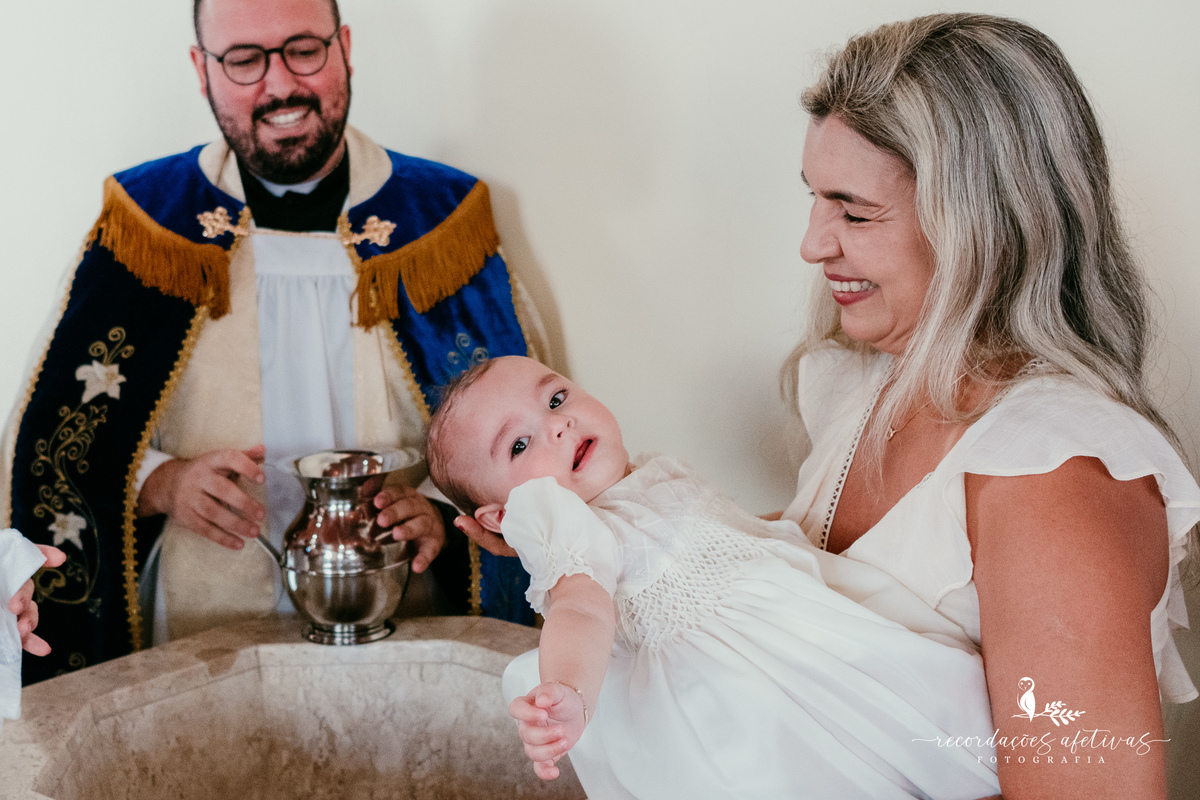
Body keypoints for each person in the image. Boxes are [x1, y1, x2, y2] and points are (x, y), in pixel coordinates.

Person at [460, 14, 1200, 799]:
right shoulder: (867, 384)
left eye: (853, 211)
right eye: (816, 200)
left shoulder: (1056, 476)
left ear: (981, 226)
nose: (814, 245)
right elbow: (793, 617)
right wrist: (596, 539)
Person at [0, 0, 545, 686]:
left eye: (304, 49)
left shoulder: (441, 222)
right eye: (245, 59)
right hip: (206, 632)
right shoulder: (147, 227)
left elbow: (533, 439)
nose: (280, 84)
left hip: (411, 632)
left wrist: (442, 517)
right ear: (202, 70)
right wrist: (164, 483)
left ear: (344, 46)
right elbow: (52, 442)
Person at [427, 355, 1002, 799]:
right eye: (520, 444)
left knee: (919, 706)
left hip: (798, 623)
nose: (559, 425)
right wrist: (572, 692)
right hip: (737, 685)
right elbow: (579, 606)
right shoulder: (563, 521)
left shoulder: (641, 474)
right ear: (505, 518)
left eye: (555, 398)